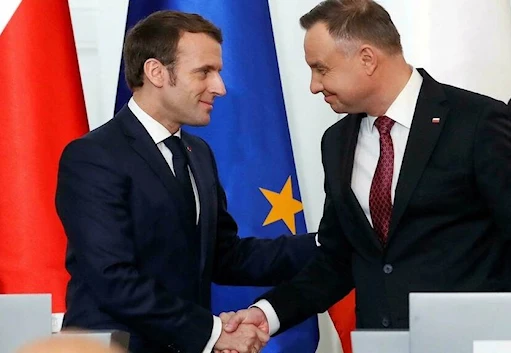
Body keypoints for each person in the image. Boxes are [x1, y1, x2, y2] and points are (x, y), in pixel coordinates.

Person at [223, 0, 511, 338]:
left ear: (367, 59)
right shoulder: (337, 142)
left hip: (471, 340)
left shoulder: (476, 122)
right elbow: (338, 258)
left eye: (321, 68)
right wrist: (267, 313)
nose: (314, 85)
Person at [55, 10, 317, 353]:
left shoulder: (197, 153)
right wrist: (212, 332)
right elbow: (113, 279)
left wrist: (325, 242)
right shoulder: (94, 157)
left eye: (218, 72)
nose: (220, 88)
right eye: (204, 72)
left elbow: (226, 256)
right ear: (156, 72)